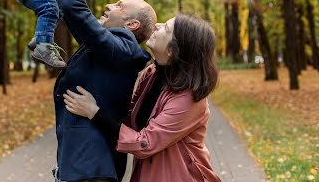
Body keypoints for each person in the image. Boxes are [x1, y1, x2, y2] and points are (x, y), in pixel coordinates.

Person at [40, 0, 157, 181]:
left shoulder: (123, 49)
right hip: (80, 170)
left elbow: (77, 12)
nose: (108, 5)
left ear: (132, 25)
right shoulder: (107, 49)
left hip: (93, 173)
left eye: (119, 5)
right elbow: (76, 18)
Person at [64, 13, 222, 182]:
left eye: (166, 28)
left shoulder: (189, 99)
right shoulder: (151, 73)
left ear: (174, 49)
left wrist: (94, 113)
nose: (157, 25)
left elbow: (145, 142)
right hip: (148, 172)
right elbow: (131, 118)